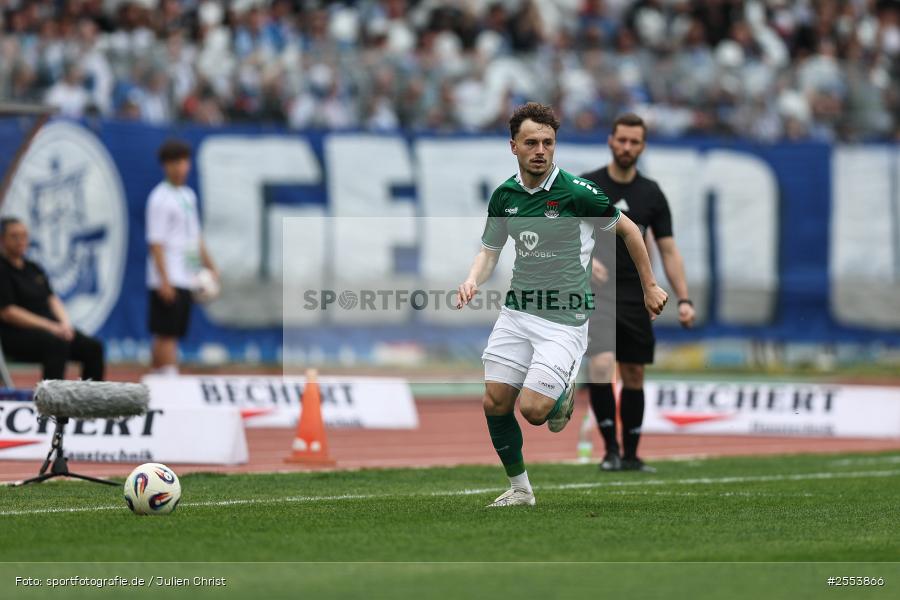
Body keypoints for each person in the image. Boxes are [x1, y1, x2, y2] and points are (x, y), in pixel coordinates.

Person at [457, 103, 668, 507]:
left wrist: (650, 286)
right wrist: (471, 279)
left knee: (534, 411)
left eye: (548, 143)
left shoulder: (576, 192)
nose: (540, 150)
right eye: (531, 142)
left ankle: (562, 391)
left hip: (564, 320)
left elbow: (629, 230)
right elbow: (489, 252)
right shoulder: (505, 196)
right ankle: (521, 490)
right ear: (513, 146)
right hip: (517, 313)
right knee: (495, 402)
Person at [581, 113, 696, 473]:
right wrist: (584, 264)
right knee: (601, 366)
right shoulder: (587, 187)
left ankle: (631, 454)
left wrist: (684, 298)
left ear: (642, 147)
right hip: (596, 292)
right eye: (622, 140)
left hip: (636, 292)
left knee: (633, 373)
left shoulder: (651, 193)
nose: (627, 147)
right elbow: (564, 237)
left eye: (635, 142)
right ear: (611, 141)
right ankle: (609, 451)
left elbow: (669, 250)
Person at [0, 217, 105, 381]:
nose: (21, 241)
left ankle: (92, 402)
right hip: (15, 334)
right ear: (2, 239)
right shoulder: (3, 269)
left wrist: (65, 325)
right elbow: (9, 312)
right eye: (14, 236)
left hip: (51, 329)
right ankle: (52, 402)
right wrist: (50, 327)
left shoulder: (33, 268)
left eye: (24, 236)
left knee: (93, 348)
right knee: (56, 344)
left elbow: (52, 298)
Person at [146, 139, 218, 375]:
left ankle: (159, 376)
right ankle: (165, 376)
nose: (181, 167)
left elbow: (195, 236)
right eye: (175, 162)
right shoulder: (160, 198)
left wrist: (210, 266)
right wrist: (164, 280)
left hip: (187, 275)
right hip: (169, 275)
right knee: (166, 332)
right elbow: (156, 243)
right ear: (165, 166)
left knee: (174, 330)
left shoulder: (188, 196)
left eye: (184, 161)